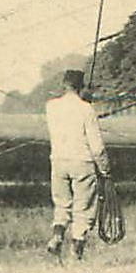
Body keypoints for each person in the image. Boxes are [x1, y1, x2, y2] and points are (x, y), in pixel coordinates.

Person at [45, 69, 106, 261]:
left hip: (58, 160)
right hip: (82, 161)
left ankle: (57, 235)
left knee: (62, 203)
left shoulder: (51, 106)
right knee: (84, 207)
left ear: (64, 84)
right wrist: (105, 168)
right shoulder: (87, 109)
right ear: (81, 86)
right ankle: (76, 250)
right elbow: (96, 145)